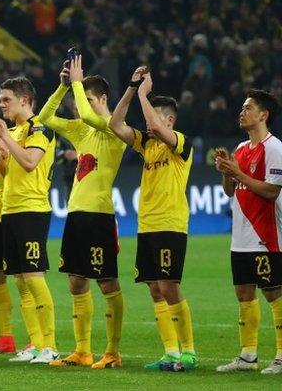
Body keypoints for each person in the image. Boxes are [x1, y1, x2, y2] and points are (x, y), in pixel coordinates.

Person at [37, 56, 126, 368]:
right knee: (76, 282)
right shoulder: (81, 130)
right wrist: (64, 87)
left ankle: (113, 352)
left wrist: (77, 81)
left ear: (103, 100)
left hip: (99, 215)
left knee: (106, 283)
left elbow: (89, 116)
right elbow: (45, 116)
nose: (79, 106)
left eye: (85, 99)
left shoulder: (116, 127)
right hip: (76, 213)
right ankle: (82, 351)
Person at [109, 70, 199, 370]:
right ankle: (170, 352)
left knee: (168, 285)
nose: (148, 124)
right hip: (146, 225)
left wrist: (145, 96)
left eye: (154, 118)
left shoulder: (180, 143)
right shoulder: (146, 145)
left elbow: (158, 129)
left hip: (170, 224)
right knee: (154, 287)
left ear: (169, 121)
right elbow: (114, 124)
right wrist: (133, 89)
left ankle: (189, 351)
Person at [0, 77, 59, 364]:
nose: (1, 104)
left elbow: (30, 163)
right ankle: (36, 344)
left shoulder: (39, 129)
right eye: (1, 99)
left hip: (32, 209)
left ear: (25, 101)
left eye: (6, 99)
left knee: (33, 276)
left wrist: (4, 137)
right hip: (9, 210)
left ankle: (50, 345)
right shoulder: (14, 131)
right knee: (19, 279)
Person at [214, 89, 282, 374]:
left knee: (273, 292)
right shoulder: (241, 149)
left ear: (263, 114)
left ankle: (280, 356)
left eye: (248, 108)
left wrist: (239, 173)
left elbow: (271, 190)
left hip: (264, 234)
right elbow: (231, 190)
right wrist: (226, 171)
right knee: (243, 293)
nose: (241, 112)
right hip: (240, 236)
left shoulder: (274, 148)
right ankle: (247, 355)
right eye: (242, 108)